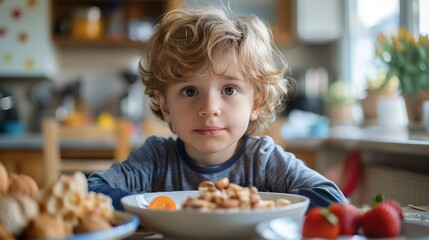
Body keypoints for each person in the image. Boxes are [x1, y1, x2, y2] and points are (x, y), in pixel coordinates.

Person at [87, 6, 347, 210]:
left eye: (229, 90)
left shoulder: (264, 161)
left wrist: (251, 206)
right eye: (189, 91)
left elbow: (330, 198)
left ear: (256, 102)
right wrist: (151, 210)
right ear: (165, 105)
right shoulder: (155, 159)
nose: (210, 109)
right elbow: (92, 189)